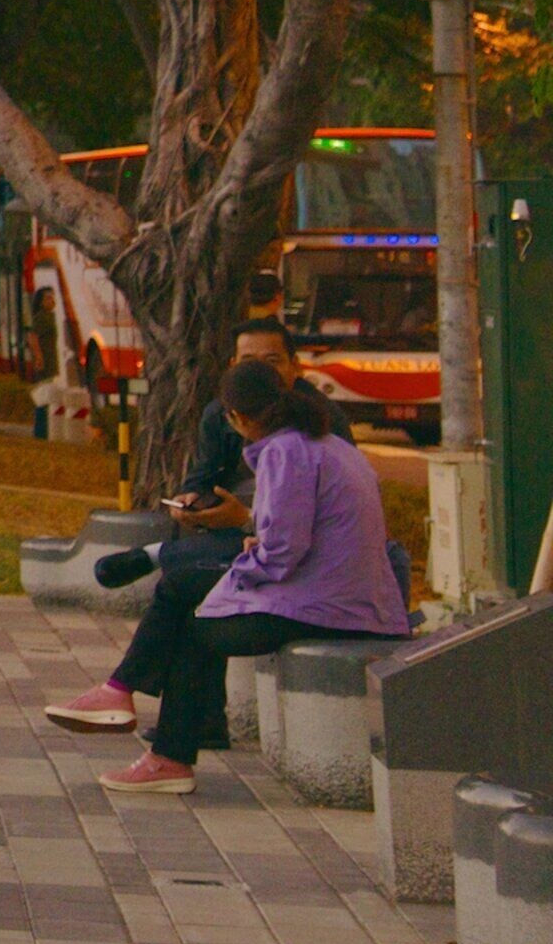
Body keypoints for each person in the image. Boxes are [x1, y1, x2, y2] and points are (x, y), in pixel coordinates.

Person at [94, 353, 412, 794]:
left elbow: (283, 553)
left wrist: (241, 572)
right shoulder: (323, 443)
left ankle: (140, 718)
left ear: (236, 417)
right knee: (190, 603)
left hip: (328, 605)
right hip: (347, 596)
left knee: (187, 601)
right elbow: (299, 535)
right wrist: (253, 550)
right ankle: (145, 726)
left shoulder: (285, 452)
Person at [44, 317, 293, 734]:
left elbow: (293, 538)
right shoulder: (232, 420)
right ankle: (181, 731)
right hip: (248, 541)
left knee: (188, 586)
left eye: (273, 360)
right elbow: (205, 472)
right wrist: (192, 499)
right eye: (250, 361)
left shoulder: (300, 440)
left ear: (295, 367)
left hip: (307, 577)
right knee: (194, 589)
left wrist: (247, 520)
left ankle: (143, 706)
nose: (261, 372)